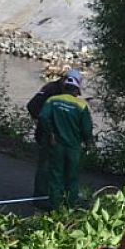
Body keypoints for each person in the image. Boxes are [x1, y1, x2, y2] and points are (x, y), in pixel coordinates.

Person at [36, 70, 93, 209]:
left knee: (55, 177)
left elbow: (43, 117)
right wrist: (89, 143)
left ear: (65, 87)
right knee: (71, 178)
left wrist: (50, 134)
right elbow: (87, 129)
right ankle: (69, 207)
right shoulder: (82, 106)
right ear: (77, 90)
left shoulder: (52, 101)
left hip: (56, 146)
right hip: (73, 147)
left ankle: (55, 208)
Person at [26, 70, 72, 199]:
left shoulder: (62, 91)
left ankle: (52, 194)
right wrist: (44, 125)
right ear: (63, 81)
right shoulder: (51, 90)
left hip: (58, 135)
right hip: (47, 133)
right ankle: (41, 196)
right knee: (46, 165)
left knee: (57, 166)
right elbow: (32, 106)